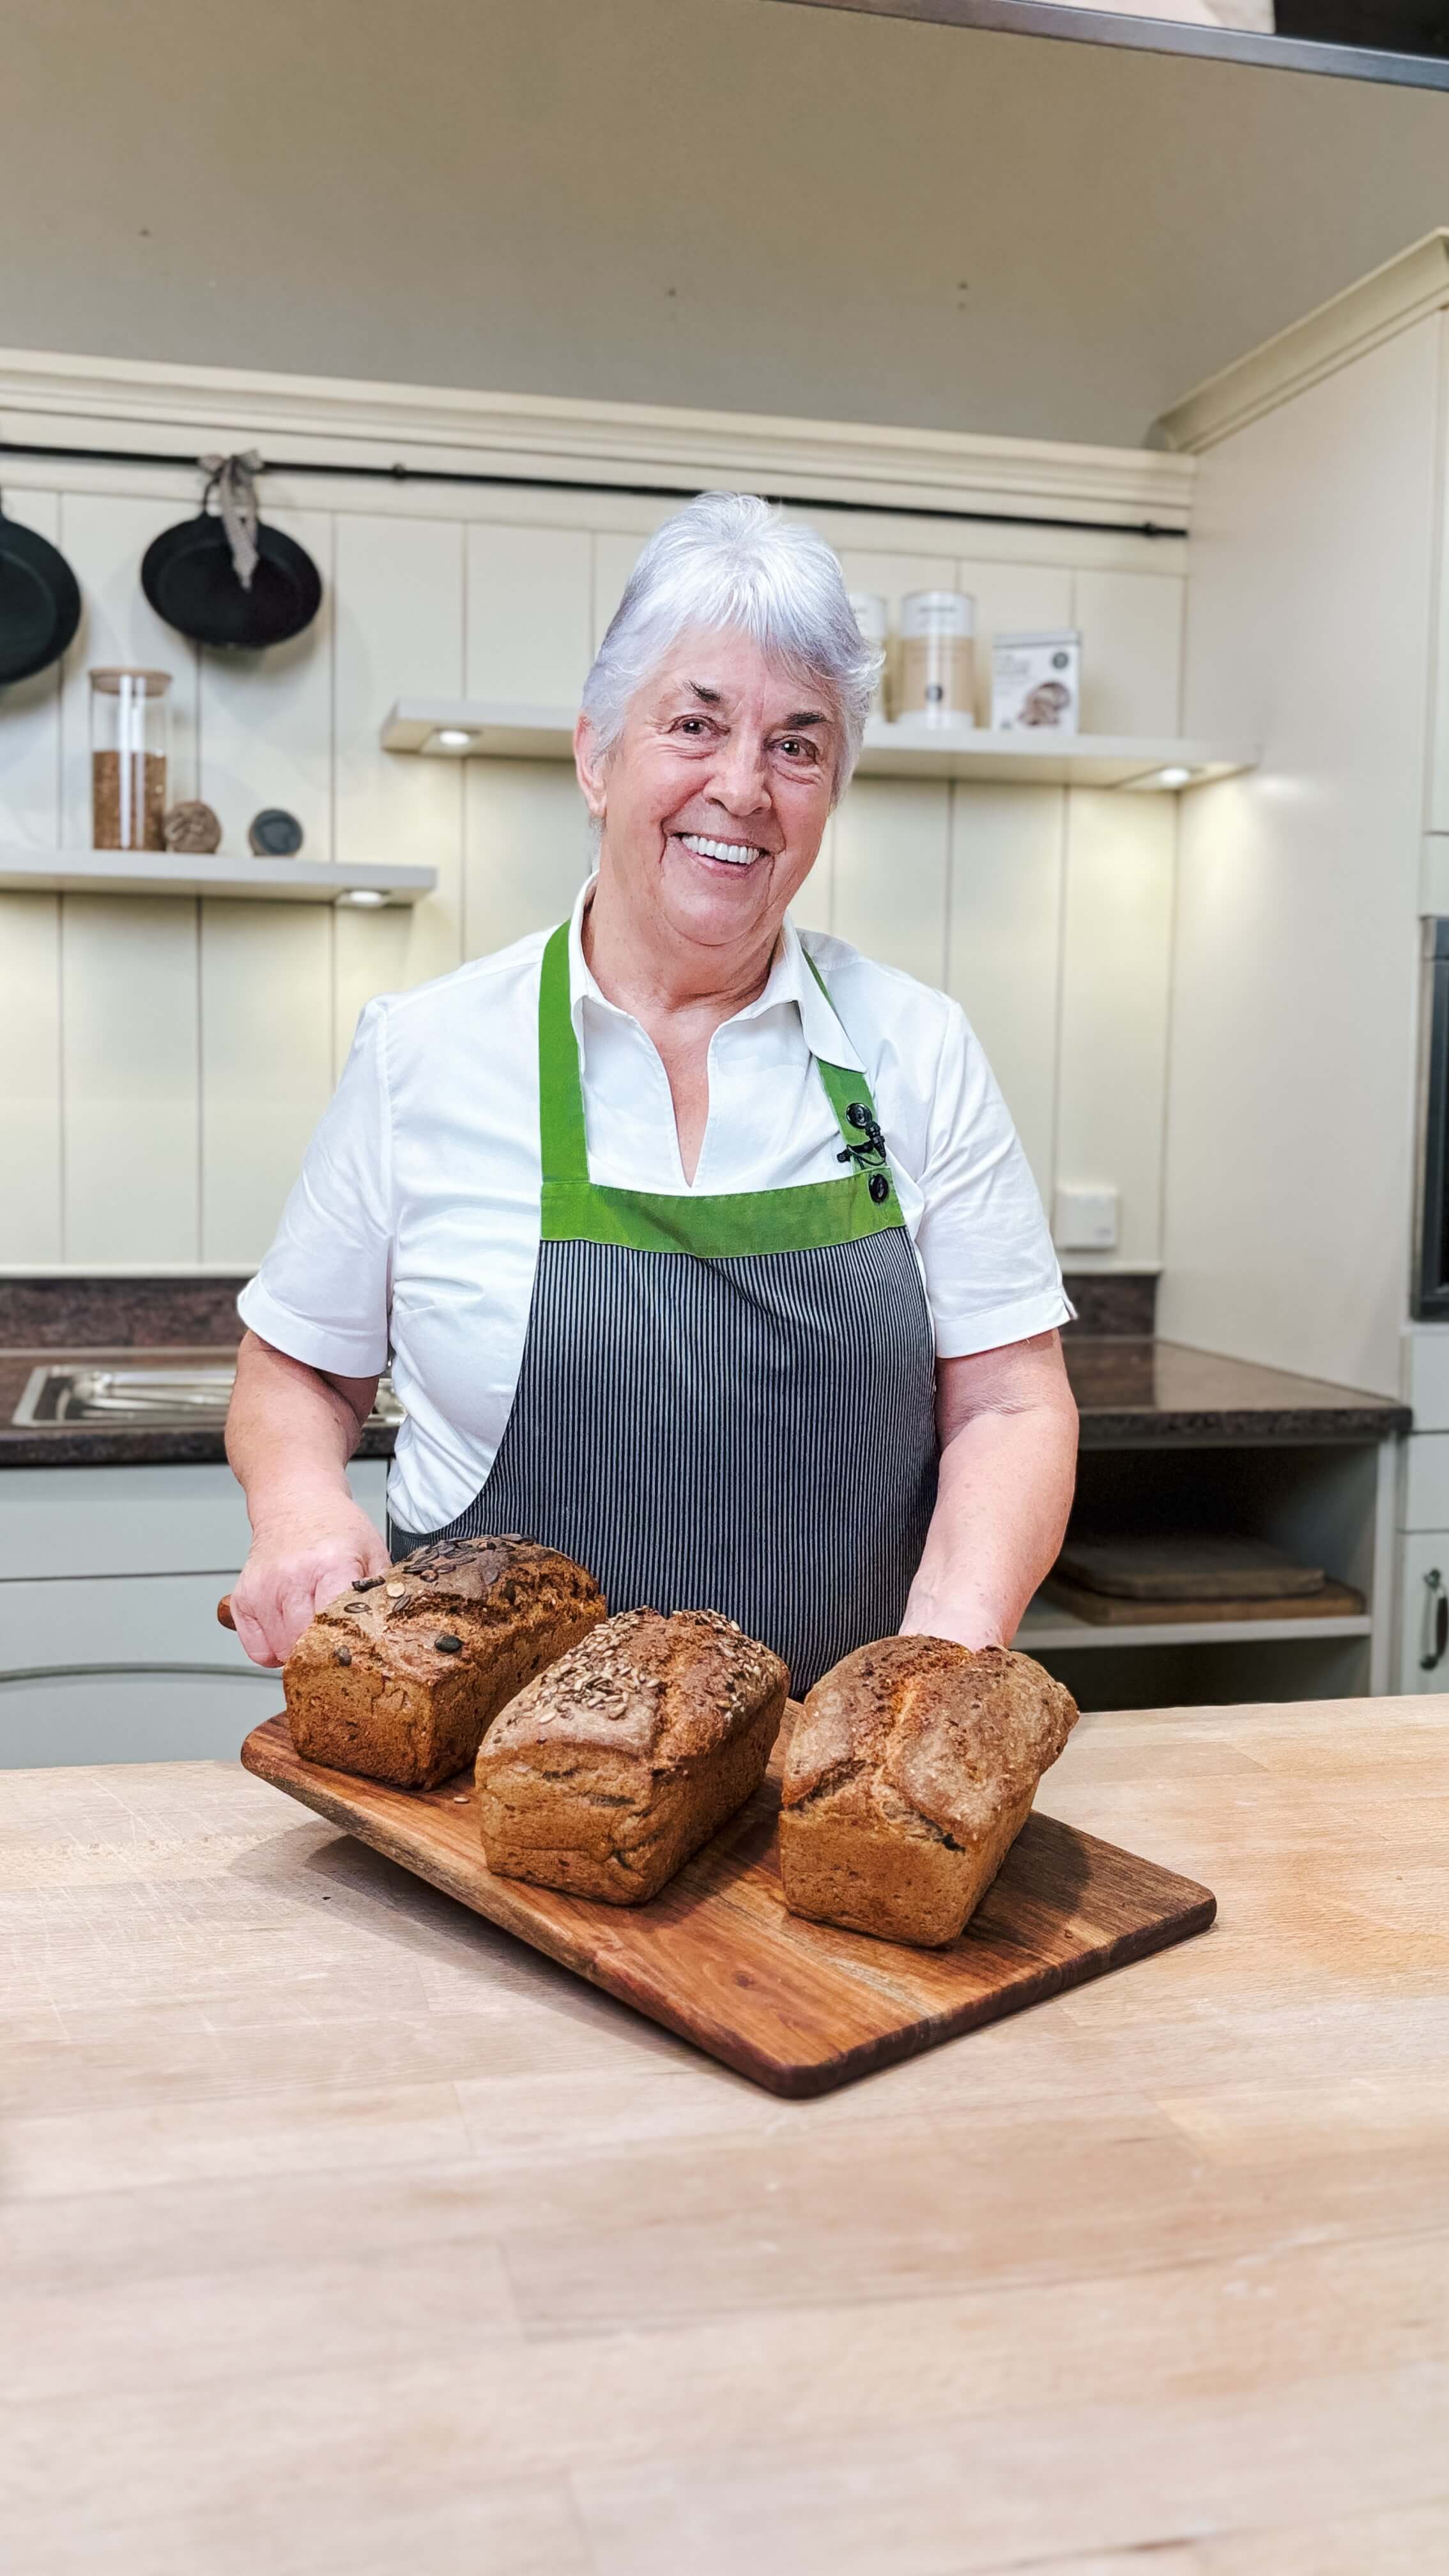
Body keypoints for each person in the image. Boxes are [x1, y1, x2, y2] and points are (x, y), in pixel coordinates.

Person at [226, 492, 1078, 1687]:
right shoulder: (425, 1050)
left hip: (819, 1795)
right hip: (480, 1789)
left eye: (798, 742)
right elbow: (302, 1369)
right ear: (596, 753)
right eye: (695, 723)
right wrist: (303, 1508)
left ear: (830, 787)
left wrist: (935, 1669)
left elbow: (1010, 1407)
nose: (743, 785)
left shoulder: (917, 1050)